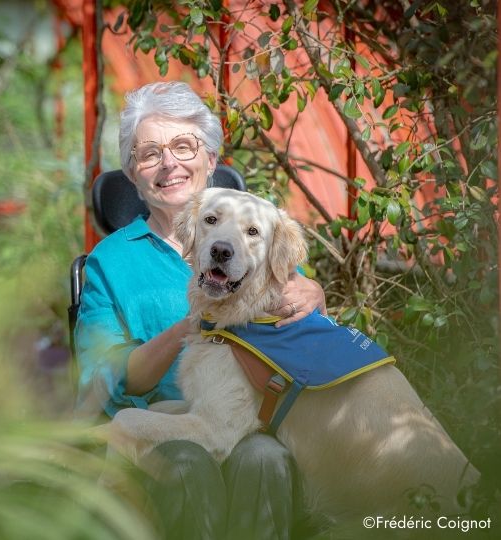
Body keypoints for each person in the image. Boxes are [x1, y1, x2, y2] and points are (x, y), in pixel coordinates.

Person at [75, 81, 326, 540]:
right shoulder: (108, 263)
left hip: (252, 422)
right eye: (149, 153)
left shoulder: (255, 233)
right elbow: (107, 378)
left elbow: (302, 324)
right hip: (163, 430)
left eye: (183, 146)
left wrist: (314, 292)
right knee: (187, 460)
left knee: (264, 457)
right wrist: (195, 324)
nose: (168, 163)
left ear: (210, 159)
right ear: (131, 173)